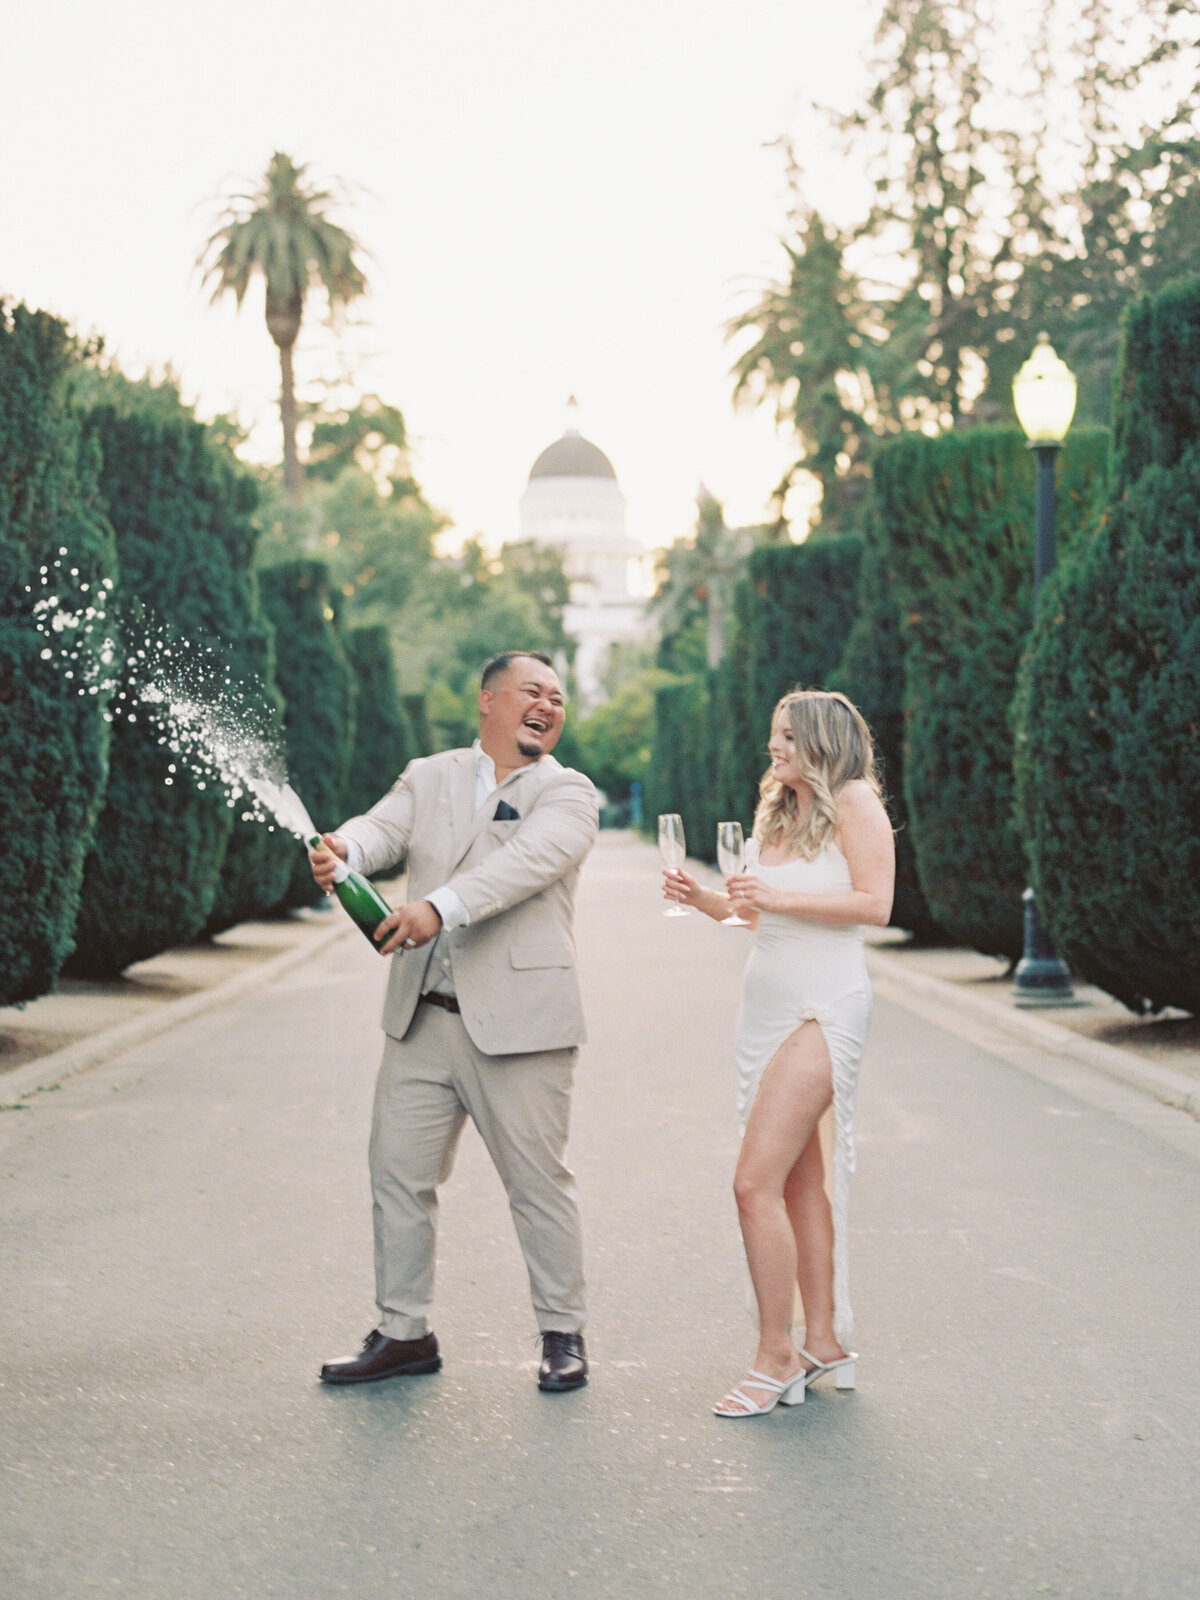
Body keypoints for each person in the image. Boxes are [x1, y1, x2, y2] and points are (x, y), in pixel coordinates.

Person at [311, 651, 599, 1392]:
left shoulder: (568, 792)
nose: (548, 705)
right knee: (396, 1176)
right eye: (533, 691)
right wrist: (345, 849)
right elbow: (381, 830)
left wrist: (436, 908)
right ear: (489, 700)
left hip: (522, 1025)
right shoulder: (429, 773)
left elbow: (527, 862)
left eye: (558, 698)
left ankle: (563, 1332)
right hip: (421, 1019)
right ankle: (404, 1333)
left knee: (538, 1183)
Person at [663, 689, 894, 1417]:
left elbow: (875, 904)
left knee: (751, 1183)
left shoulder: (855, 800)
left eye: (788, 736)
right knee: (796, 1185)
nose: (775, 745)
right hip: (764, 1008)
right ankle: (824, 1342)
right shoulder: (781, 811)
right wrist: (704, 899)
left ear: (824, 741)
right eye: (773, 733)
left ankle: (775, 1355)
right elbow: (756, 913)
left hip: (825, 1007)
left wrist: (776, 900)